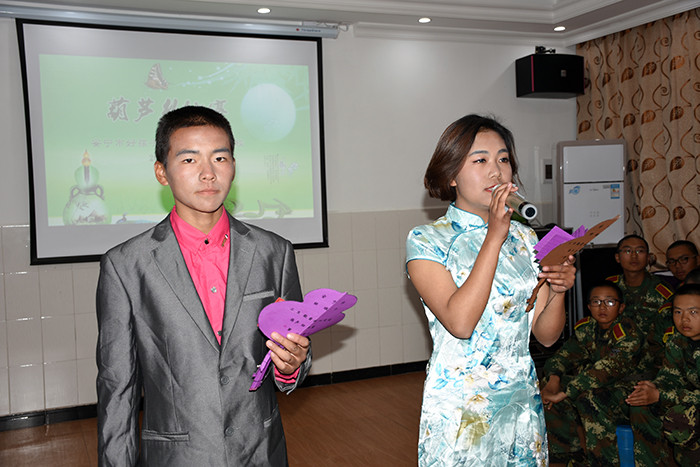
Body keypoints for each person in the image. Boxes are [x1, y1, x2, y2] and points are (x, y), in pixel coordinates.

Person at [96, 106, 311, 466]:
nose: (208, 173)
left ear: (234, 166)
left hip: (259, 452)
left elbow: (294, 361)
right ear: (162, 172)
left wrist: (291, 366)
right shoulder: (126, 265)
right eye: (189, 159)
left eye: (220, 158)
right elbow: (117, 388)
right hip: (177, 456)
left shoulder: (274, 253)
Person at [405, 114, 576, 466]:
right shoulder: (427, 240)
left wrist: (559, 290)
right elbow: (460, 323)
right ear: (451, 175)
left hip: (521, 400)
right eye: (480, 160)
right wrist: (494, 237)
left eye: (503, 159)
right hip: (463, 407)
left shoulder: (526, 237)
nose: (496, 172)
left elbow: (545, 336)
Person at [540, 281, 645, 466]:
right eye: (596, 302)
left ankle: (604, 462)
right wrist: (553, 381)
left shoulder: (628, 332)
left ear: (621, 307)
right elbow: (562, 357)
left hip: (631, 391)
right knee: (547, 389)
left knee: (590, 398)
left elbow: (605, 370)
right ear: (589, 306)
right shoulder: (587, 329)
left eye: (609, 302)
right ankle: (567, 456)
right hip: (596, 385)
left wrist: (566, 392)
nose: (602, 307)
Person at [626, 283, 700, 466]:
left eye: (693, 312)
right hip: (688, 398)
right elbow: (670, 376)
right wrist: (652, 388)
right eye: (678, 312)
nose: (684, 319)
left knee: (681, 418)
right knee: (641, 406)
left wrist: (661, 395)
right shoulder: (677, 340)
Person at [607, 234, 674, 377]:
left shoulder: (663, 292)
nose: (634, 256)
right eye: (627, 251)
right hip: (612, 357)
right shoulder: (608, 288)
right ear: (617, 257)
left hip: (649, 364)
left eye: (640, 251)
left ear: (648, 257)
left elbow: (669, 336)